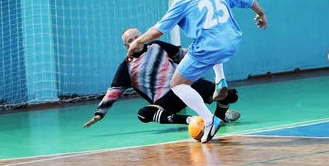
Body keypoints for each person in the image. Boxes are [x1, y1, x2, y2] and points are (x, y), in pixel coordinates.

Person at [127, 0, 267, 143]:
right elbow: (250, 0)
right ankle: (220, 79)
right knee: (207, 39)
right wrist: (261, 14)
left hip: (209, 47)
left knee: (177, 84)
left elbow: (158, 31)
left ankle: (209, 121)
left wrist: (138, 41)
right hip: (232, 41)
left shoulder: (183, 0)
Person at [83, 27, 241, 129]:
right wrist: (99, 113)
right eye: (130, 40)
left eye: (137, 37)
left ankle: (219, 118)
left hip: (184, 86)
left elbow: (184, 56)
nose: (135, 41)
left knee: (231, 94)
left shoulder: (158, 46)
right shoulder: (127, 67)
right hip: (165, 100)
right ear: (126, 46)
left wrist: (207, 53)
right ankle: (193, 121)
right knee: (143, 114)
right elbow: (114, 91)